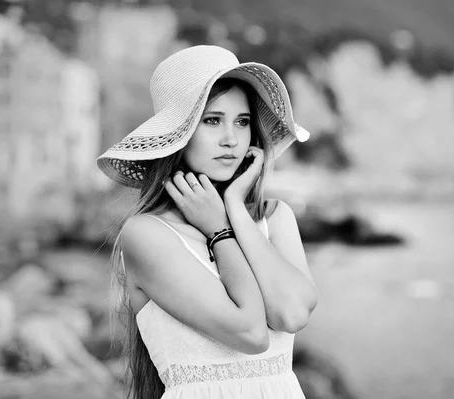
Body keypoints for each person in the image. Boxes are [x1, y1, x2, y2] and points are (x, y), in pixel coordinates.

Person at [97, 45, 318, 399]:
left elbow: (290, 314)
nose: (231, 139)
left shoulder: (275, 218)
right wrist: (219, 231)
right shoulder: (147, 234)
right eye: (212, 120)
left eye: (242, 122)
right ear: (179, 137)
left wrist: (232, 206)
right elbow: (251, 334)